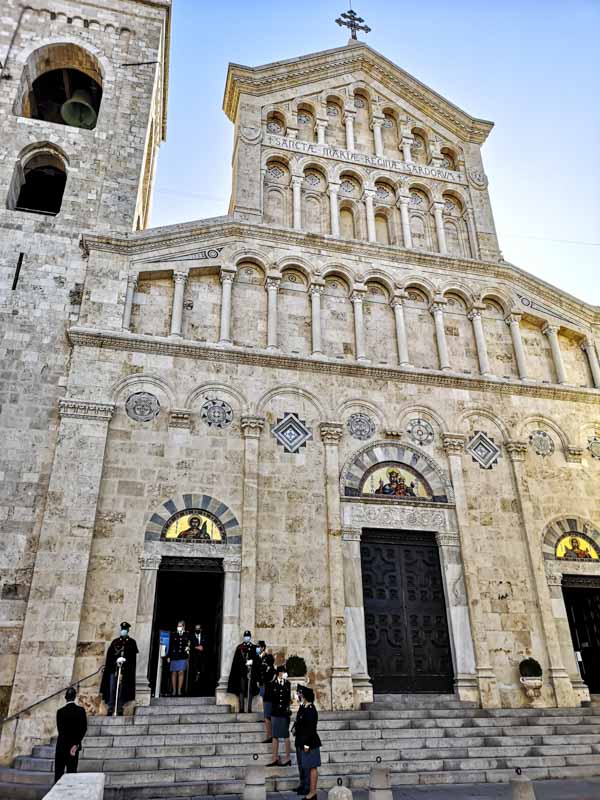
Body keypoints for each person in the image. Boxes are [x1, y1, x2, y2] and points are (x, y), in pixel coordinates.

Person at [99, 621, 138, 715]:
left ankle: (120, 707)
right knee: (112, 688)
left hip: (125, 671)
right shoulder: (115, 642)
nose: (123, 631)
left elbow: (133, 657)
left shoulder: (132, 642)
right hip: (114, 669)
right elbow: (110, 656)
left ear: (128, 630)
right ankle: (111, 707)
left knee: (122, 689)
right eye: (122, 629)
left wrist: (125, 660)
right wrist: (116, 661)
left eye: (125, 629)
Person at [54, 687, 87, 784]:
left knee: (59, 773)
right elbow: (83, 729)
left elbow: (61, 730)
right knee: (71, 773)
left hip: (61, 746)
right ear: (75, 697)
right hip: (73, 747)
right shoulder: (81, 711)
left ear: (65, 697)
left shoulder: (60, 712)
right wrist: (75, 744)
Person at [294, 686, 321, 800]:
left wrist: (306, 745)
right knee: (308, 767)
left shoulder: (311, 709)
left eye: (301, 695)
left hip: (310, 743)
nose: (299, 696)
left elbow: (310, 729)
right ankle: (311, 792)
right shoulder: (304, 707)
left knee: (312, 767)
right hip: (304, 742)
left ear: (305, 697)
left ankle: (312, 793)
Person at [227, 629, 260, 712]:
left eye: (248, 636)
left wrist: (253, 662)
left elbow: (258, 659)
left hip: (251, 673)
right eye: (245, 636)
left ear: (250, 637)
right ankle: (241, 708)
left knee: (250, 690)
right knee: (241, 690)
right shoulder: (239, 647)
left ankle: (249, 708)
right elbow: (236, 661)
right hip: (241, 673)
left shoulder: (255, 647)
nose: (247, 638)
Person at [268, 665, 292, 767]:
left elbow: (288, 698)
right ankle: (274, 757)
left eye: (284, 672)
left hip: (284, 713)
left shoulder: (287, 684)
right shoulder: (272, 684)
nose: (284, 674)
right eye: (282, 672)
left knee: (286, 735)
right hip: (275, 712)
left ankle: (287, 758)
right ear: (279, 673)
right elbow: (271, 699)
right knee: (275, 736)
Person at [167, 620, 193, 696]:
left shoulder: (187, 634)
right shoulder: (173, 634)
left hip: (183, 656)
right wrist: (168, 656)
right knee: (174, 672)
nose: (179, 627)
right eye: (178, 626)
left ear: (184, 626)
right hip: (174, 655)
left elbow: (190, 643)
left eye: (180, 626)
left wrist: (188, 648)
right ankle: (174, 690)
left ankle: (179, 690)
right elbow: (170, 645)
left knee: (181, 672)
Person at [260, 653, 276, 743]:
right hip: (273, 696)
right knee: (270, 716)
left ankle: (270, 735)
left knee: (267, 717)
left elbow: (264, 680)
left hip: (268, 696)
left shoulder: (269, 671)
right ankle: (272, 735)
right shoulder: (274, 670)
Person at [190, 622, 207, 695]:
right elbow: (189, 646)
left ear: (201, 629)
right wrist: (196, 647)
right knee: (194, 674)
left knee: (202, 673)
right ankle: (193, 691)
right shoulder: (191, 636)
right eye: (196, 628)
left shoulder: (204, 636)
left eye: (198, 628)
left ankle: (202, 690)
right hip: (194, 658)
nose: (197, 630)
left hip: (203, 658)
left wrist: (203, 647)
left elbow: (207, 645)